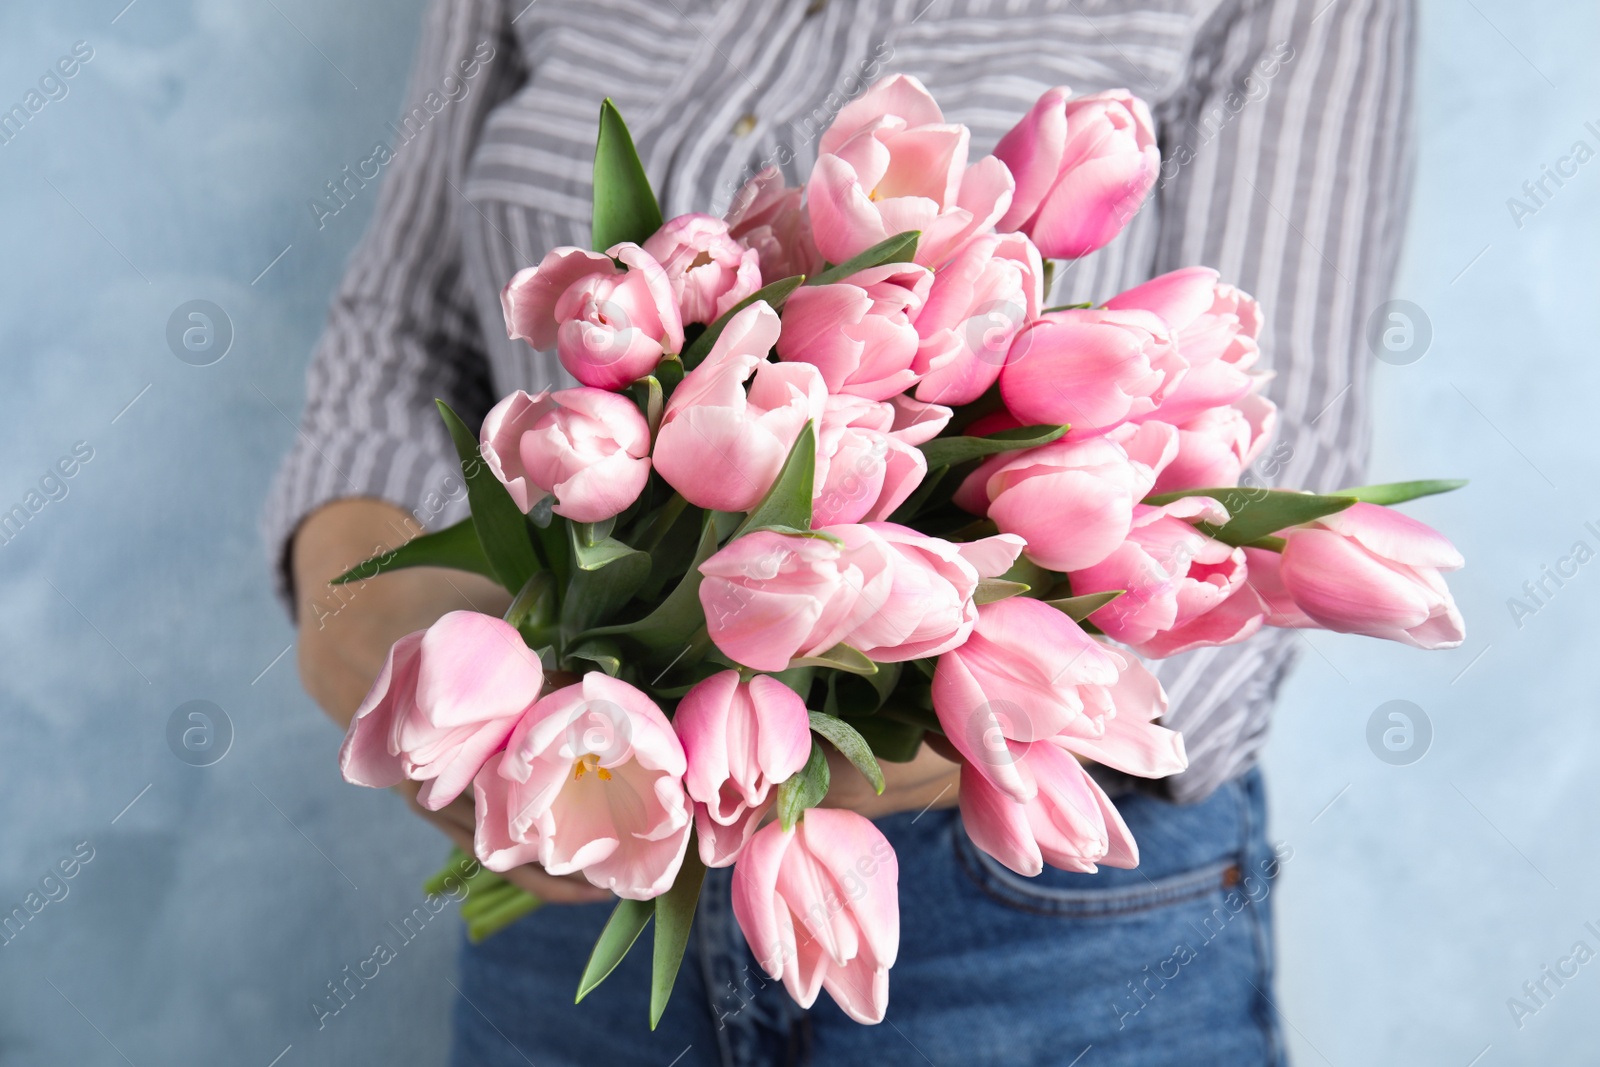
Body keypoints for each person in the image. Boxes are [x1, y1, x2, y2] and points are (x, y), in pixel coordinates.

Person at [267, 0, 1414, 1062]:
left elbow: (1260, 458)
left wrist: (798, 720)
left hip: (1022, 928)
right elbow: (399, 337)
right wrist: (395, 647)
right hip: (561, 845)